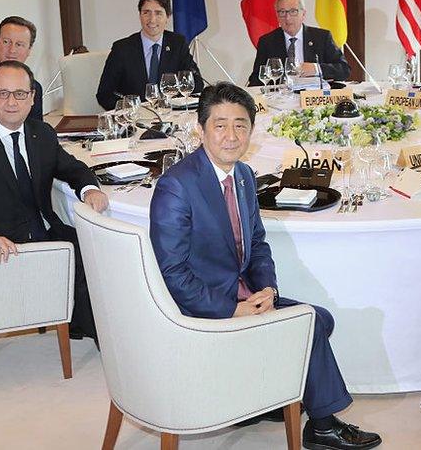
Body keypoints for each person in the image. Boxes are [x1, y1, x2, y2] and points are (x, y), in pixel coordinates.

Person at [149, 83, 381, 450]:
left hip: (241, 293)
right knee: (312, 322)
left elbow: (256, 243)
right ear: (200, 129)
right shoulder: (176, 186)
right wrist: (232, 309)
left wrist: (267, 290)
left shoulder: (242, 176)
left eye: (240, 125)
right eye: (220, 125)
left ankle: (270, 398)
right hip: (202, 310)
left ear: (252, 131)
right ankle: (322, 426)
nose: (231, 135)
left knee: (321, 320)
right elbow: (172, 273)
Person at [0, 60, 108, 342]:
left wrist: (89, 189)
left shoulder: (41, 134)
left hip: (43, 229)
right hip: (6, 245)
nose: (11, 102)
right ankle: (110, 341)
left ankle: (80, 320)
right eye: (2, 93)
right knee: (83, 260)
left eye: (20, 94)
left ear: (32, 97)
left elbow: (72, 167)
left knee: (101, 248)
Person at [96, 0, 203, 110]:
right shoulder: (122, 49)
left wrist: (174, 104)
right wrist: (129, 109)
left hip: (171, 116)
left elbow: (196, 84)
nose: (152, 20)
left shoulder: (177, 44)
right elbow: (104, 94)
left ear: (167, 17)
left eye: (158, 13)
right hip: (134, 119)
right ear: (140, 15)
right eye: (146, 12)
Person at [247, 0, 351, 85]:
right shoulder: (267, 41)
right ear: (277, 16)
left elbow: (344, 70)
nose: (287, 18)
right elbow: (257, 77)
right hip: (280, 100)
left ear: (303, 14)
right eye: (282, 12)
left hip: (314, 98)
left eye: (293, 11)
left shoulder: (321, 37)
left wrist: (316, 69)